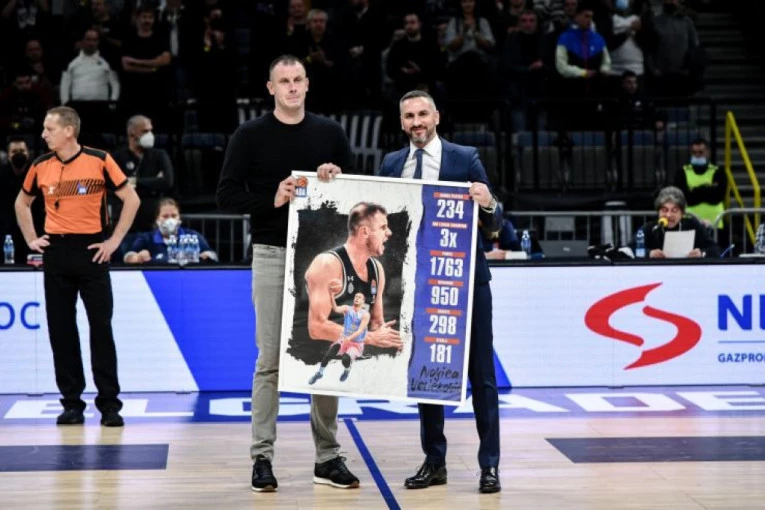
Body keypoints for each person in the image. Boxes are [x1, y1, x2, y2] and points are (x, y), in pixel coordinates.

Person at [216, 55, 399, 493]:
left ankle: (327, 457)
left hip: (323, 258)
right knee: (269, 360)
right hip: (272, 253)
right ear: (270, 87)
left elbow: (356, 200)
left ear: (307, 84)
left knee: (327, 352)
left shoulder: (330, 133)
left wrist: (337, 178)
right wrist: (272, 198)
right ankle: (262, 458)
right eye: (284, 81)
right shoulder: (248, 135)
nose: (292, 87)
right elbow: (225, 196)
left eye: (298, 79)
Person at [378, 90, 503, 494]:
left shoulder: (464, 158)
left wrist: (488, 204)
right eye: (409, 116)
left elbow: (496, 220)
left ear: (437, 117)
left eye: (422, 114)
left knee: (482, 376)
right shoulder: (391, 164)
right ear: (401, 122)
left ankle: (490, 466)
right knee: (427, 373)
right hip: (418, 287)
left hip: (467, 282)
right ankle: (435, 462)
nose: (416, 122)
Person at [14, 106, 140, 427]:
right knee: (61, 330)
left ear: (69, 131)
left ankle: (109, 404)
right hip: (56, 252)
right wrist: (31, 238)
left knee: (101, 328)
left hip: (92, 251)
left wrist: (113, 242)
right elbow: (22, 203)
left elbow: (132, 199)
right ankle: (71, 403)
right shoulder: (40, 165)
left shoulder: (99, 160)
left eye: (50, 128)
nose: (43, 134)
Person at [296, 201, 400, 370]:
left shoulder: (376, 269)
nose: (389, 233)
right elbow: (316, 327)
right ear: (365, 232)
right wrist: (370, 337)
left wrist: (390, 336)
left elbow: (376, 323)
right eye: (383, 227)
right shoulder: (327, 263)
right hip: (313, 362)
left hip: (349, 359)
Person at [112, 115, 174, 231]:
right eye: (145, 131)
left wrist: (133, 181)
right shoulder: (118, 157)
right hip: (128, 223)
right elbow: (117, 186)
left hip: (154, 220)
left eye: (151, 130)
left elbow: (167, 182)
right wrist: (154, 182)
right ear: (132, 133)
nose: (150, 135)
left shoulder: (160, 155)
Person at [630, 185, 719, 258]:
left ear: (682, 213)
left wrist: (701, 253)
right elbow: (628, 250)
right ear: (658, 212)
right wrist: (649, 253)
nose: (669, 215)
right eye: (664, 210)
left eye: (674, 210)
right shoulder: (651, 228)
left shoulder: (692, 224)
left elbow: (715, 250)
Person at [123, 197, 217, 264]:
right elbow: (128, 256)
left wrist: (206, 256)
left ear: (179, 217)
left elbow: (212, 255)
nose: (170, 220)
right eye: (165, 216)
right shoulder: (146, 238)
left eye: (174, 216)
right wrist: (137, 257)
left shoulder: (192, 236)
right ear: (157, 219)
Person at [308, 290, 370, 384]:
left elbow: (360, 330)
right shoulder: (347, 308)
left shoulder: (365, 314)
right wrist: (332, 297)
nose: (356, 298)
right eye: (356, 296)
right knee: (328, 355)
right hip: (343, 340)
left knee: (345, 359)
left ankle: (347, 370)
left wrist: (349, 338)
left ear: (363, 301)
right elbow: (336, 309)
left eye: (359, 297)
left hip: (356, 344)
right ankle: (319, 373)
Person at [1, 137, 44, 263]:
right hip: (7, 234)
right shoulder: (2, 176)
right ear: (8, 155)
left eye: (22, 151)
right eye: (14, 152)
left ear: (28, 153)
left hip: (34, 230)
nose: (18, 154)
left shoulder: (38, 174)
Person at [673, 138, 725, 230]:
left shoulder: (718, 172)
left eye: (700, 152)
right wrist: (707, 189)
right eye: (694, 152)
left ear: (708, 153)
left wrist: (694, 191)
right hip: (690, 222)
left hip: (715, 222)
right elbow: (684, 198)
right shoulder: (682, 172)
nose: (697, 155)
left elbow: (718, 196)